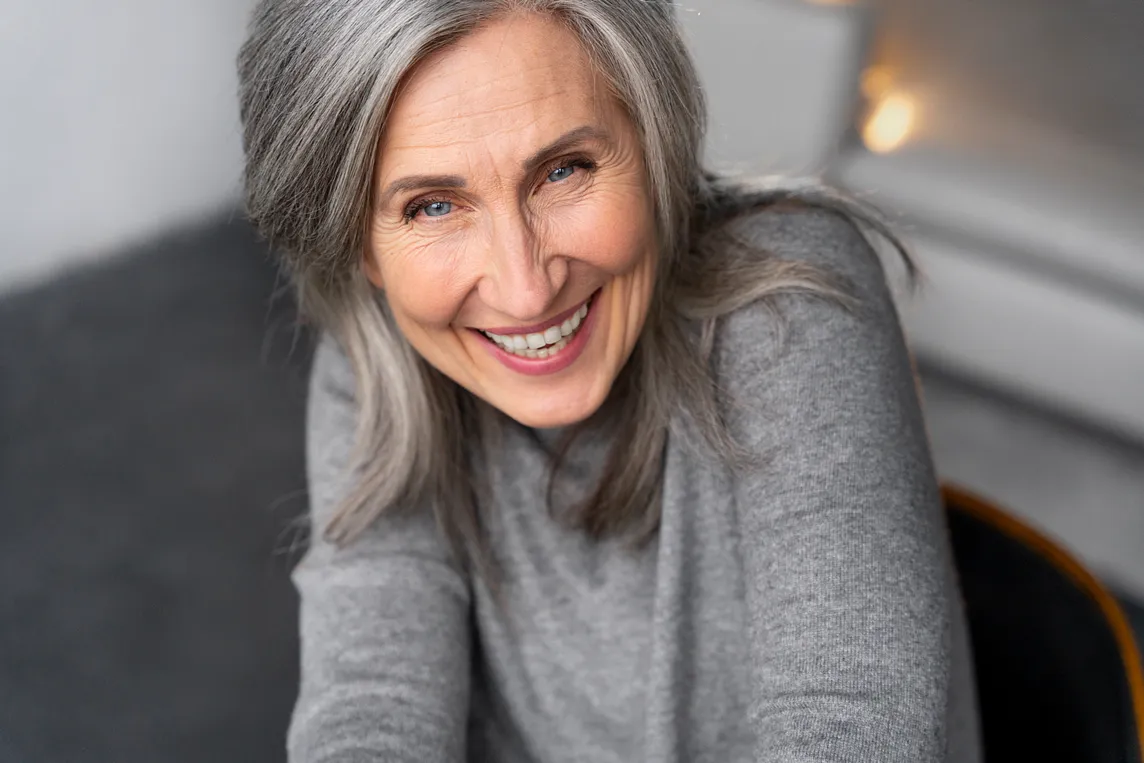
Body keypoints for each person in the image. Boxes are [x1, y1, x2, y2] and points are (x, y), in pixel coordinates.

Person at [237, 1, 982, 760]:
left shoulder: (791, 295)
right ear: (360, 247)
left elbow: (852, 724)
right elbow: (372, 697)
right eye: (433, 206)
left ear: (654, 143)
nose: (525, 289)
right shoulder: (379, 361)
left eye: (564, 170)